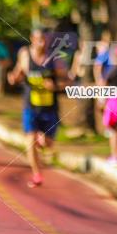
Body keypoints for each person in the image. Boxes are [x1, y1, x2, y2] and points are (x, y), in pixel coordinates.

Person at [8, 28, 69, 188]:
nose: (42, 42)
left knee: (47, 144)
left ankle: (42, 141)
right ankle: (37, 174)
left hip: (50, 108)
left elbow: (68, 82)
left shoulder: (55, 58)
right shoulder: (24, 54)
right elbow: (18, 73)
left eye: (44, 39)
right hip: (31, 106)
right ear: (32, 39)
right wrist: (13, 78)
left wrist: (54, 86)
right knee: (30, 139)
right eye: (38, 39)